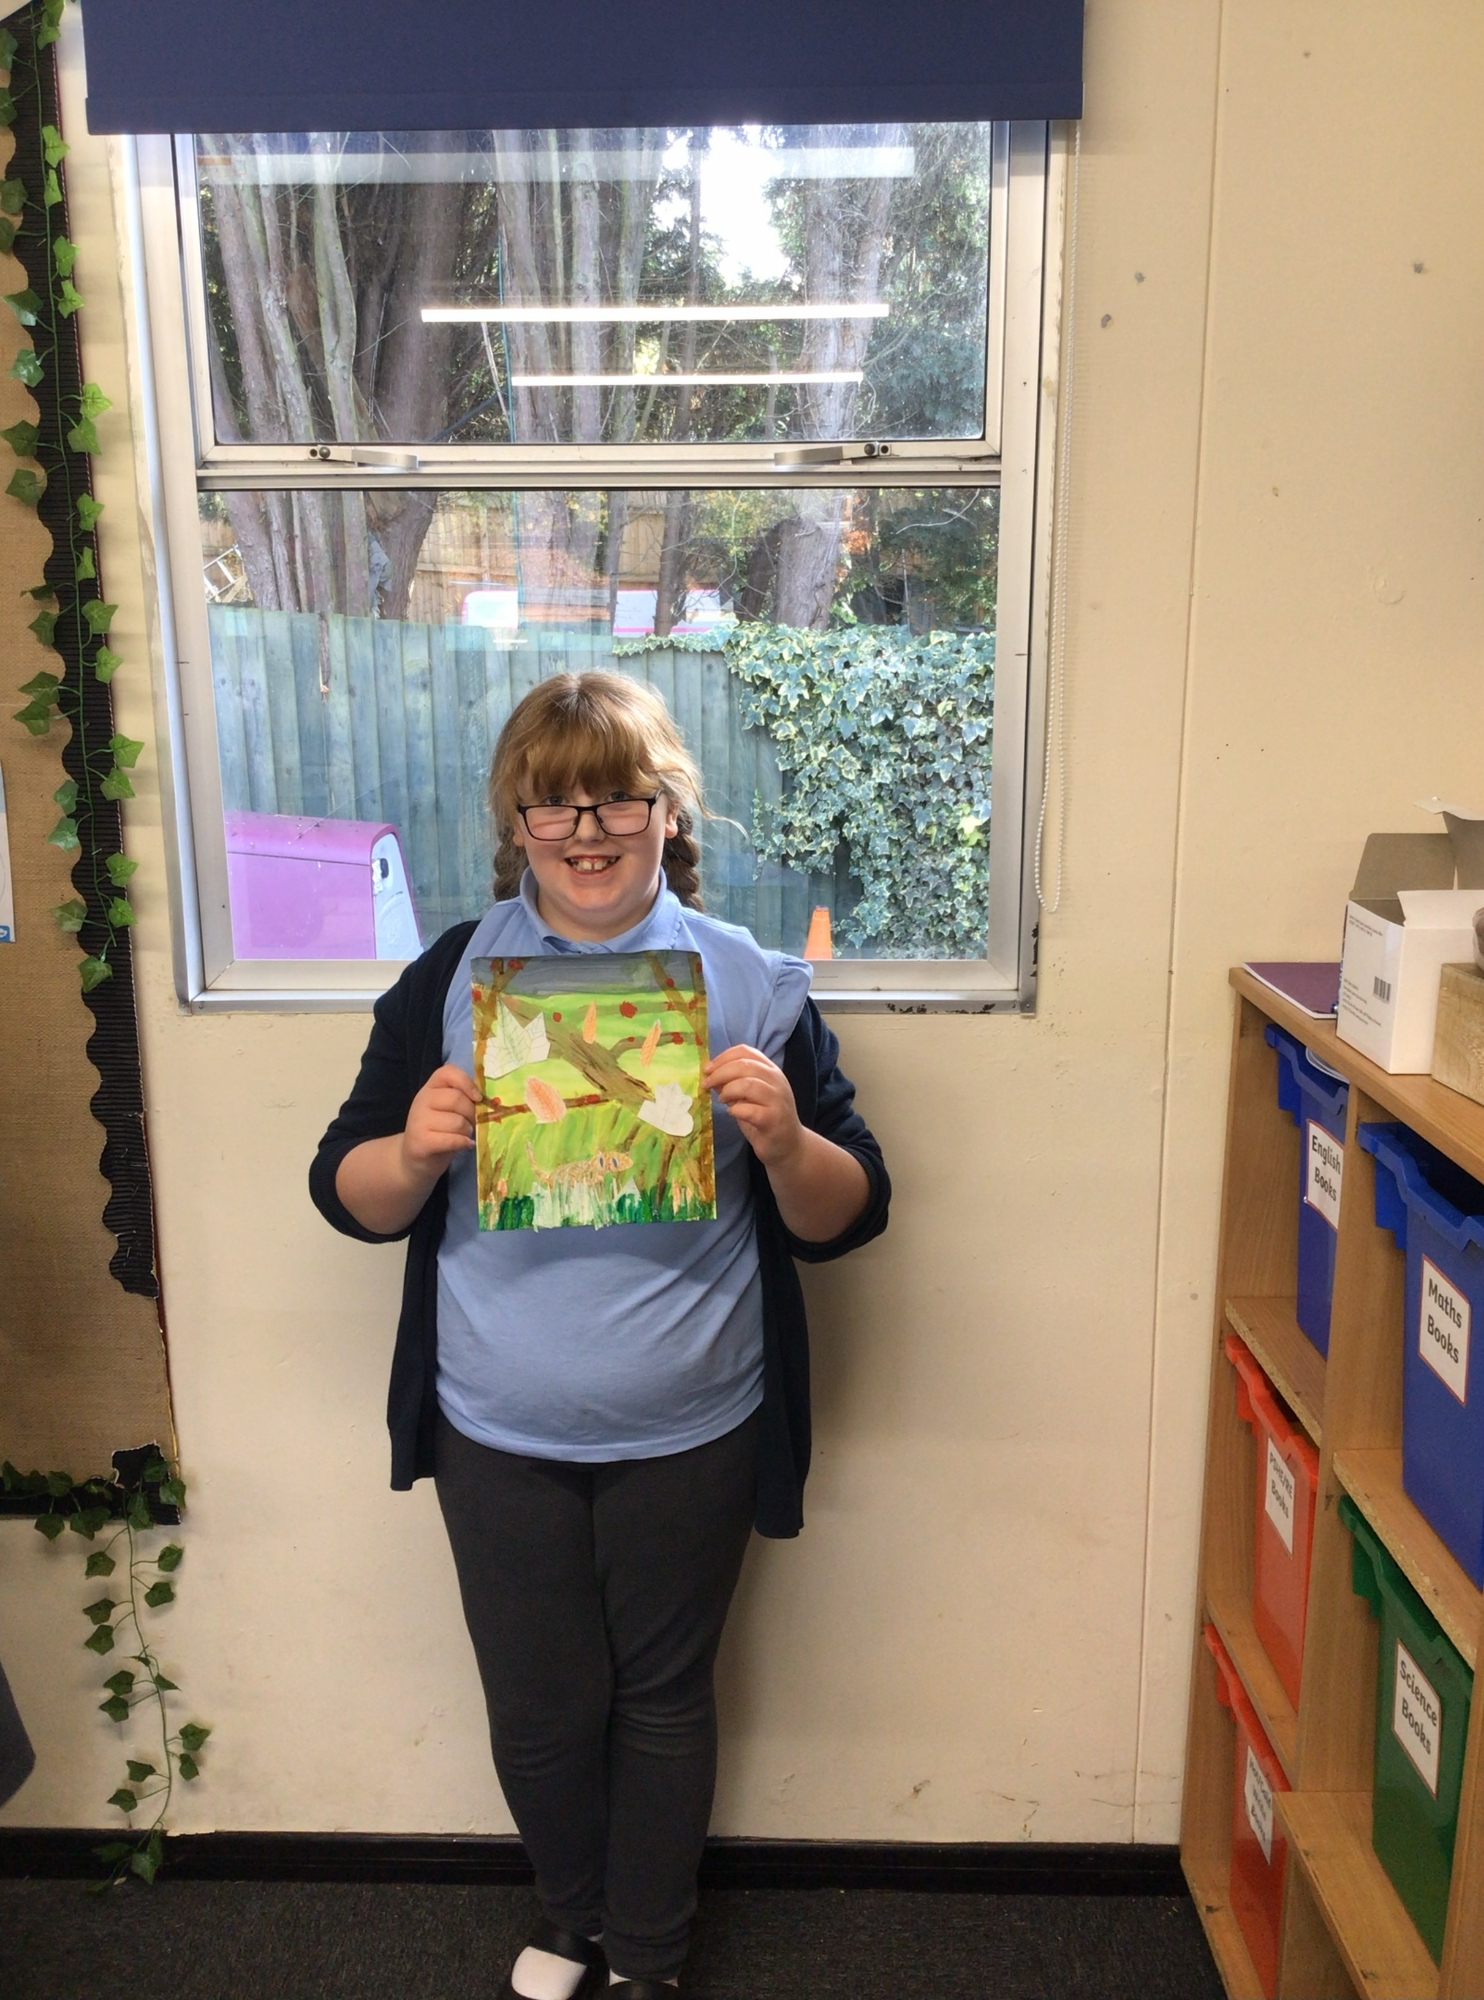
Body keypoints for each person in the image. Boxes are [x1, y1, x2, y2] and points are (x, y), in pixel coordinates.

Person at [310, 671, 890, 1999]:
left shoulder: (747, 982)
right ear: (514, 822)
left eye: (617, 799)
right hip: (494, 1424)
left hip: (694, 1422)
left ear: (667, 812)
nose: (585, 831)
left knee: (665, 1698)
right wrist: (415, 1149)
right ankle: (572, 1918)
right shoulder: (454, 977)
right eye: (552, 804)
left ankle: (650, 1953)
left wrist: (787, 1142)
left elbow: (848, 1213)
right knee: (540, 1705)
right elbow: (349, 1194)